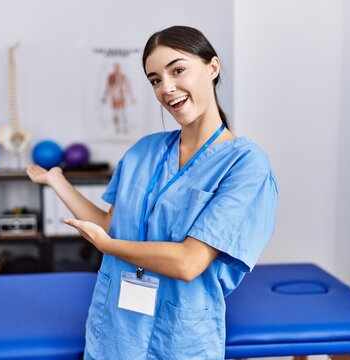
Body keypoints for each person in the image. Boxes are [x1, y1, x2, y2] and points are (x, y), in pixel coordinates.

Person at [27, 25, 278, 360]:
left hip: (180, 339)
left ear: (212, 67)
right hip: (114, 332)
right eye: (155, 79)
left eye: (177, 70)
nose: (167, 88)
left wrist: (108, 247)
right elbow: (109, 224)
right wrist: (57, 181)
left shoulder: (246, 164)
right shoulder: (143, 151)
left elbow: (190, 262)